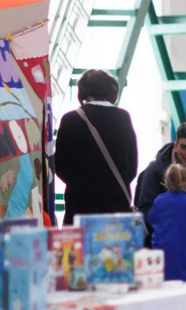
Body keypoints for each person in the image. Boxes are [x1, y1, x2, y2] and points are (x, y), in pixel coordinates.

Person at [55, 69, 138, 224]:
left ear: (82, 93)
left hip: (80, 207)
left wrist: (81, 184)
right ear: (112, 92)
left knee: (80, 248)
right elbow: (132, 168)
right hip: (115, 207)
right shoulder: (123, 118)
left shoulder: (70, 120)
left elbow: (60, 167)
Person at [134, 122, 186, 265]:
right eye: (184, 147)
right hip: (161, 239)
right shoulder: (154, 171)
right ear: (175, 146)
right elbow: (144, 211)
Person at [147, 164, 186, 281]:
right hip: (182, 251)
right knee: (182, 284)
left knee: (161, 283)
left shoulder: (159, 200)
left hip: (160, 252)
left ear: (166, 182)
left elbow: (151, 219)